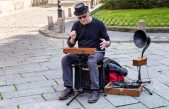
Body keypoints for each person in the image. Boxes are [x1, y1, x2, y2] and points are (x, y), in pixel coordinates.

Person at [59, 3, 111, 103]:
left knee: (91, 61)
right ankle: (69, 88)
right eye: (80, 17)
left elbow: (108, 41)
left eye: (84, 16)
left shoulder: (98, 24)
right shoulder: (76, 25)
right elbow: (70, 45)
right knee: (65, 59)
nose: (82, 19)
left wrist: (106, 43)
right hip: (82, 51)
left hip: (97, 52)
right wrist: (73, 39)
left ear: (88, 12)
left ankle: (95, 90)